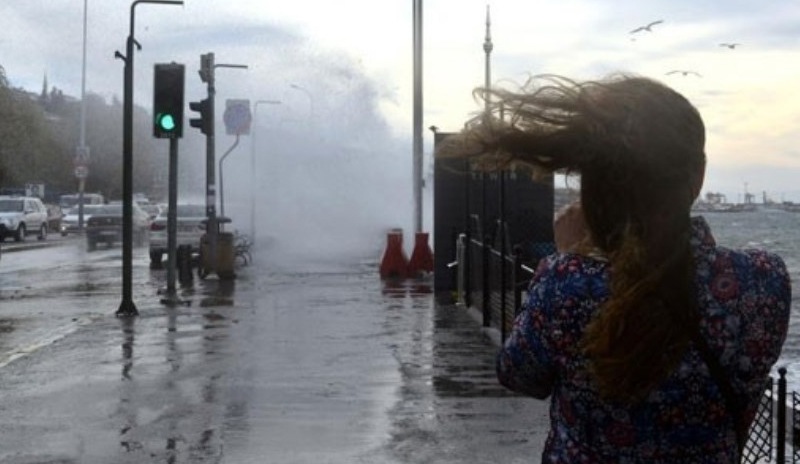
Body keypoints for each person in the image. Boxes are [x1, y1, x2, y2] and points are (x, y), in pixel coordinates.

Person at [438, 74, 791, 462]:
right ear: (697, 178)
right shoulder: (764, 281)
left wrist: (567, 258)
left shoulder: (566, 283)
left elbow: (519, 374)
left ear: (595, 185)